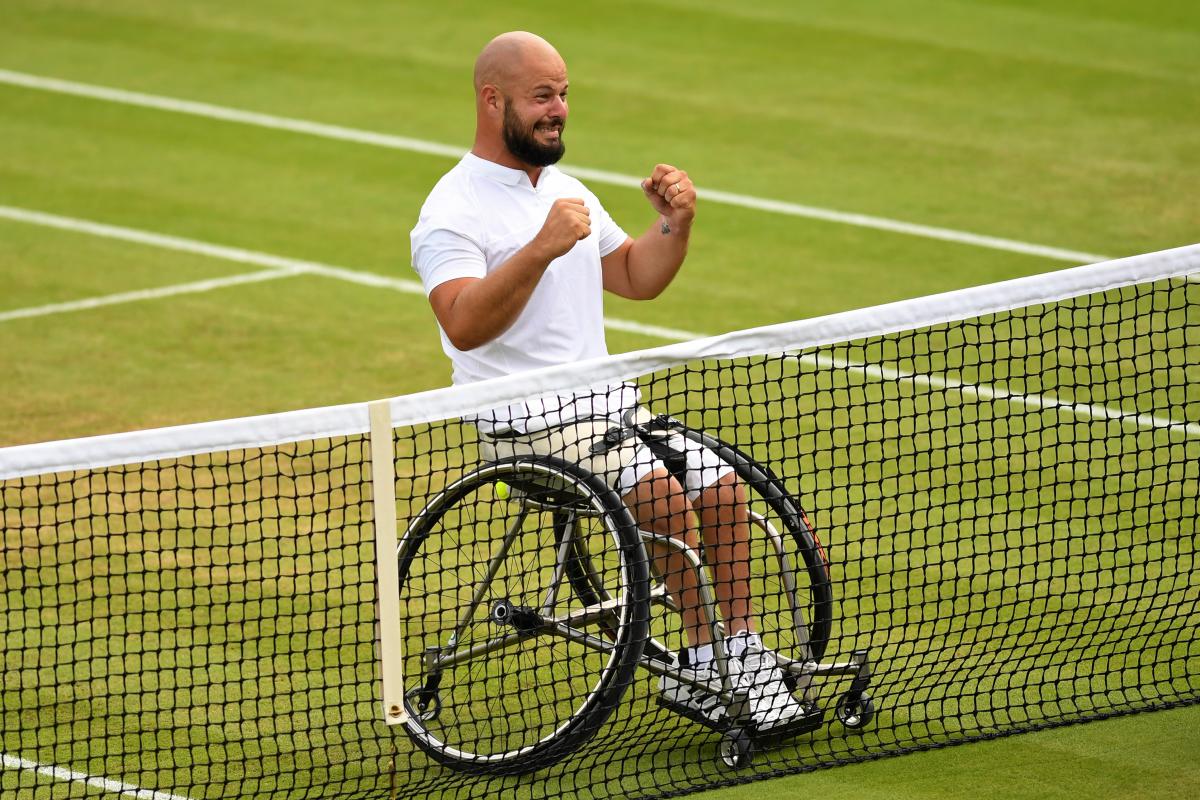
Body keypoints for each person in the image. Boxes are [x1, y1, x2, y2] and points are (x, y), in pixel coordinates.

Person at [410, 31, 811, 734]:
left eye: (563, 94)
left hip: (608, 414)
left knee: (721, 489)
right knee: (656, 491)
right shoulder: (450, 211)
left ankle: (738, 650)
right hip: (521, 430)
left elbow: (632, 274)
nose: (558, 109)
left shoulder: (567, 191)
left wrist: (674, 226)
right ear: (491, 98)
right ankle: (699, 659)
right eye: (542, 96)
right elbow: (464, 323)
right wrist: (539, 247)